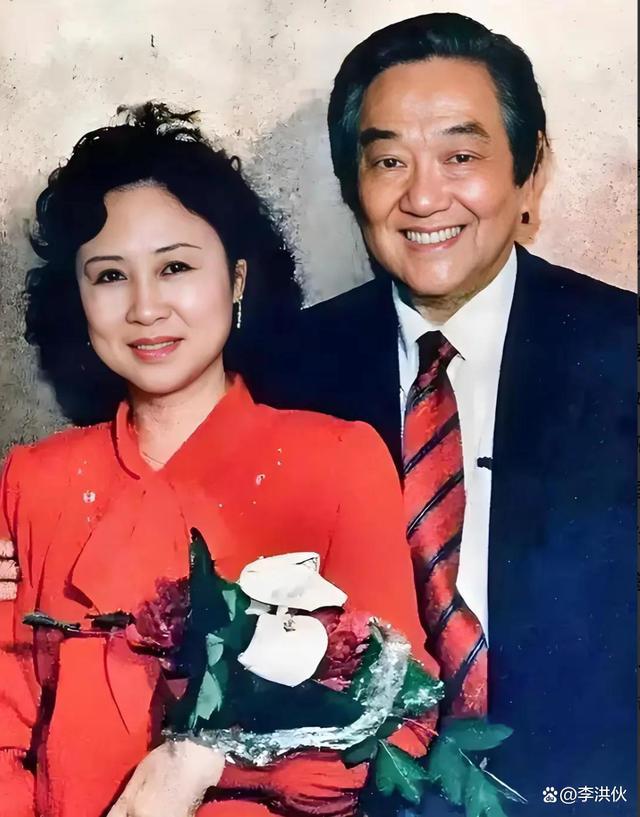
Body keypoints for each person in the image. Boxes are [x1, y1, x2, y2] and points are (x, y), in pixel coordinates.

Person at [243, 13, 637, 813]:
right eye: (389, 160)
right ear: (353, 184)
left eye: (461, 156)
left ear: (530, 171)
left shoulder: (623, 352)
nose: (423, 197)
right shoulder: (279, 371)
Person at [0, 103, 438, 817]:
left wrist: (207, 757)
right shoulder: (34, 479)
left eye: (175, 267)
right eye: (109, 276)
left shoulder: (336, 461)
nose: (146, 307)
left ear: (236, 280)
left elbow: (402, 717)